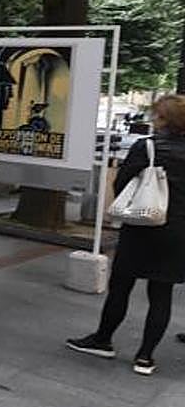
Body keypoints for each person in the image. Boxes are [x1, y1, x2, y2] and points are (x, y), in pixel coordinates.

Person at [68, 94, 185, 375]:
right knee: (161, 292)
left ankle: (103, 339)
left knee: (121, 285)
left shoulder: (147, 147)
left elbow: (122, 184)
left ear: (164, 120)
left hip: (142, 227)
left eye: (157, 115)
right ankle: (145, 357)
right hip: (178, 232)